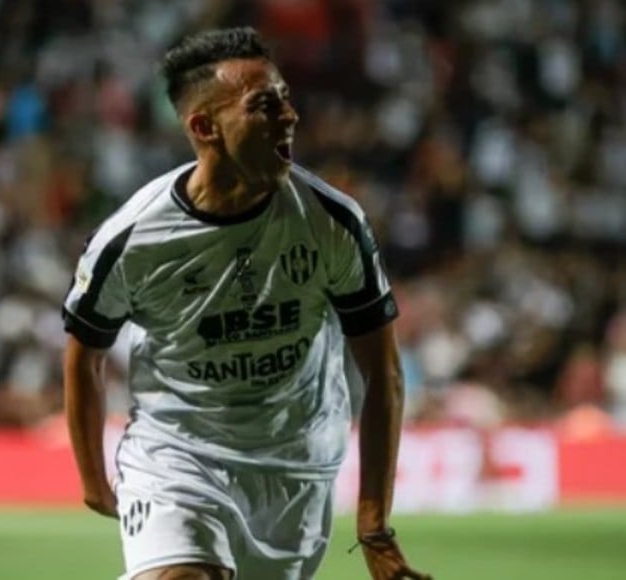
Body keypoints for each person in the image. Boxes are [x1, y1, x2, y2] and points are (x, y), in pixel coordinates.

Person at [62, 27, 431, 580]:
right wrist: (93, 476)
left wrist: (375, 526)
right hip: (176, 455)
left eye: (285, 97)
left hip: (295, 470)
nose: (290, 116)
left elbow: (382, 374)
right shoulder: (133, 239)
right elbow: (83, 352)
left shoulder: (333, 224)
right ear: (204, 127)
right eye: (264, 104)